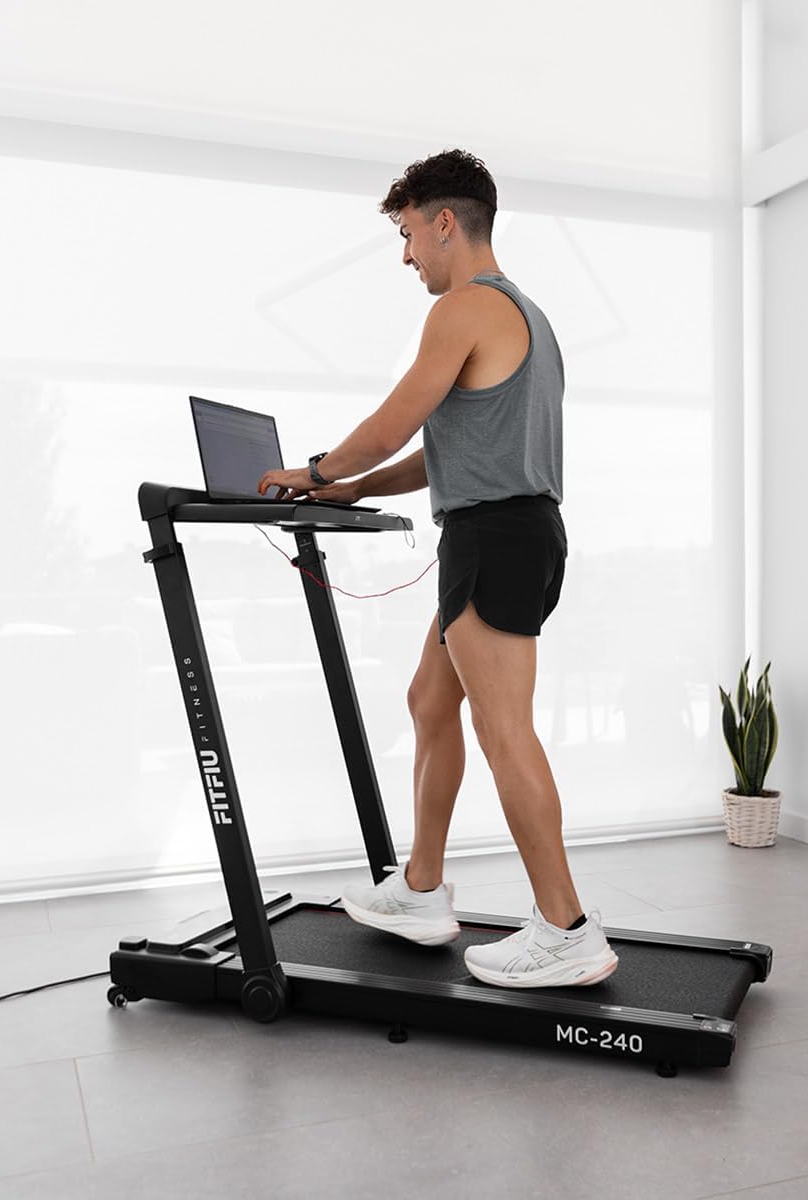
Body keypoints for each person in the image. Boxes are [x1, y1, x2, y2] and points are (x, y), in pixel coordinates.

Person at [257, 149, 617, 989]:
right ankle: (420, 889)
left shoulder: (462, 309)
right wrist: (350, 490)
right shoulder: (527, 316)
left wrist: (312, 471)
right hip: (508, 533)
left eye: (410, 233)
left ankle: (566, 928)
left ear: (445, 222)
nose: (407, 253)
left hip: (494, 538)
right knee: (429, 700)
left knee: (504, 730)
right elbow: (435, 451)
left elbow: (391, 426)